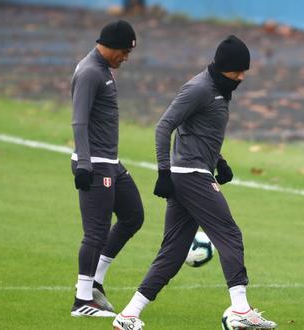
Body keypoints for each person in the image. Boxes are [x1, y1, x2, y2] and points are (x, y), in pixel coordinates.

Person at [112, 35, 277, 330]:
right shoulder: (199, 88)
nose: (241, 77)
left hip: (194, 171)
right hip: (190, 176)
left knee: (173, 252)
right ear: (223, 67)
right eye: (237, 71)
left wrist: (219, 161)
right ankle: (240, 309)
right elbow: (164, 126)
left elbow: (199, 132)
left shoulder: (220, 88)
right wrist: (163, 171)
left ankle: (128, 315)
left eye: (244, 71)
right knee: (229, 234)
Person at [70, 20, 143, 317]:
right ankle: (82, 300)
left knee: (133, 215)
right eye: (124, 51)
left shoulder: (102, 70)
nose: (125, 57)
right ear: (109, 46)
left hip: (110, 162)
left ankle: (96, 280)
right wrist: (84, 164)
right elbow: (79, 121)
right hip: (95, 164)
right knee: (96, 232)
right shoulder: (90, 72)